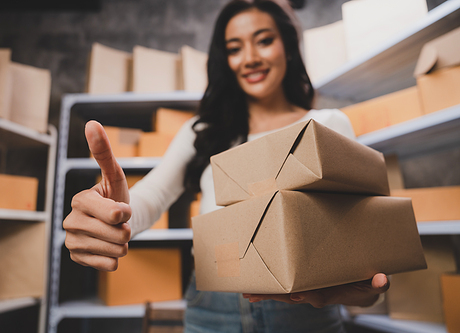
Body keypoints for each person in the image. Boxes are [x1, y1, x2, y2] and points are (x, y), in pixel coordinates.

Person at [63, 0, 390, 332]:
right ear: (225, 60)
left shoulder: (327, 126)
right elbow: (154, 194)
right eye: (235, 48)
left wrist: (363, 292)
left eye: (264, 40)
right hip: (213, 309)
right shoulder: (202, 132)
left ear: (288, 48)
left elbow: (359, 241)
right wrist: (117, 212)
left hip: (306, 310)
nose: (250, 58)